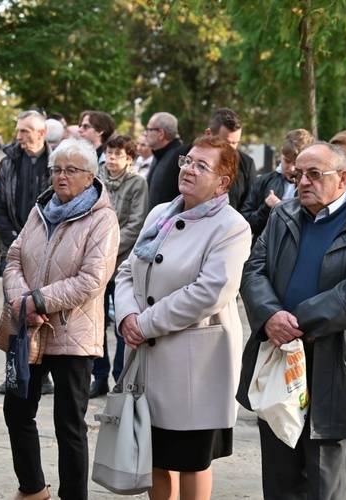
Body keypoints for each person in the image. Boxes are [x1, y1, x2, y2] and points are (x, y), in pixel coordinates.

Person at [236, 141, 346, 499]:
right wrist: (270, 316)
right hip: (280, 357)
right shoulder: (283, 215)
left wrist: (291, 322)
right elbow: (254, 271)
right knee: (280, 478)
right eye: (297, 174)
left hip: (335, 363)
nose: (302, 181)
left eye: (313, 174)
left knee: (325, 482)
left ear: (343, 178)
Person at [114, 136, 251, 499]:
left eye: (201, 165)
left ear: (223, 181)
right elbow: (128, 270)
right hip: (148, 358)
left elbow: (209, 292)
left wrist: (143, 324)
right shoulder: (161, 213)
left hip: (195, 368)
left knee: (192, 460)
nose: (189, 169)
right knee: (154, 456)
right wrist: (127, 313)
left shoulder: (231, 226)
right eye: (187, 161)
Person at [2, 137, 120, 500]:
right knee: (16, 411)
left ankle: (73, 495)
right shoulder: (41, 210)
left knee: (69, 426)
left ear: (90, 176)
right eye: (56, 169)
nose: (61, 177)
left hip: (73, 334)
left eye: (71, 170)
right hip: (30, 330)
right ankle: (33, 488)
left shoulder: (103, 219)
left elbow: (92, 280)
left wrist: (37, 300)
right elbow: (13, 259)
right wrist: (23, 301)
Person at [0, 110, 55, 396]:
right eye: (17, 131)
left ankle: (42, 379)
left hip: (49, 253)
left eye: (24, 132)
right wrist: (15, 241)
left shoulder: (56, 164)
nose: (18, 137)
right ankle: (14, 375)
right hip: (14, 251)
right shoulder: (7, 164)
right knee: (14, 314)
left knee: (43, 315)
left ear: (40, 133)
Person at [88, 135, 149, 398]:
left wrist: (108, 248)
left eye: (118, 154)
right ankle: (98, 376)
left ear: (129, 158)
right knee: (95, 322)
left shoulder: (137, 183)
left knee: (122, 323)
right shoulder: (94, 179)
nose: (111, 158)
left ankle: (120, 377)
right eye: (109, 153)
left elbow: (137, 223)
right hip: (95, 264)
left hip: (123, 263)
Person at [239, 128, 315, 245]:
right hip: (264, 252)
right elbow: (244, 223)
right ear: (281, 153)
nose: (291, 168)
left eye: (296, 163)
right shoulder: (263, 182)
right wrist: (266, 209)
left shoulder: (313, 187)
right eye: (287, 161)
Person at [175, 108, 257, 210]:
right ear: (209, 134)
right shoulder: (183, 155)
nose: (231, 149)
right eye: (225, 143)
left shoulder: (247, 164)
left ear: (223, 183)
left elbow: (250, 206)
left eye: (235, 143)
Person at [145, 112, 184, 210]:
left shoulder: (177, 158)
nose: (146, 133)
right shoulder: (159, 154)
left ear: (161, 134)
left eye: (149, 129)